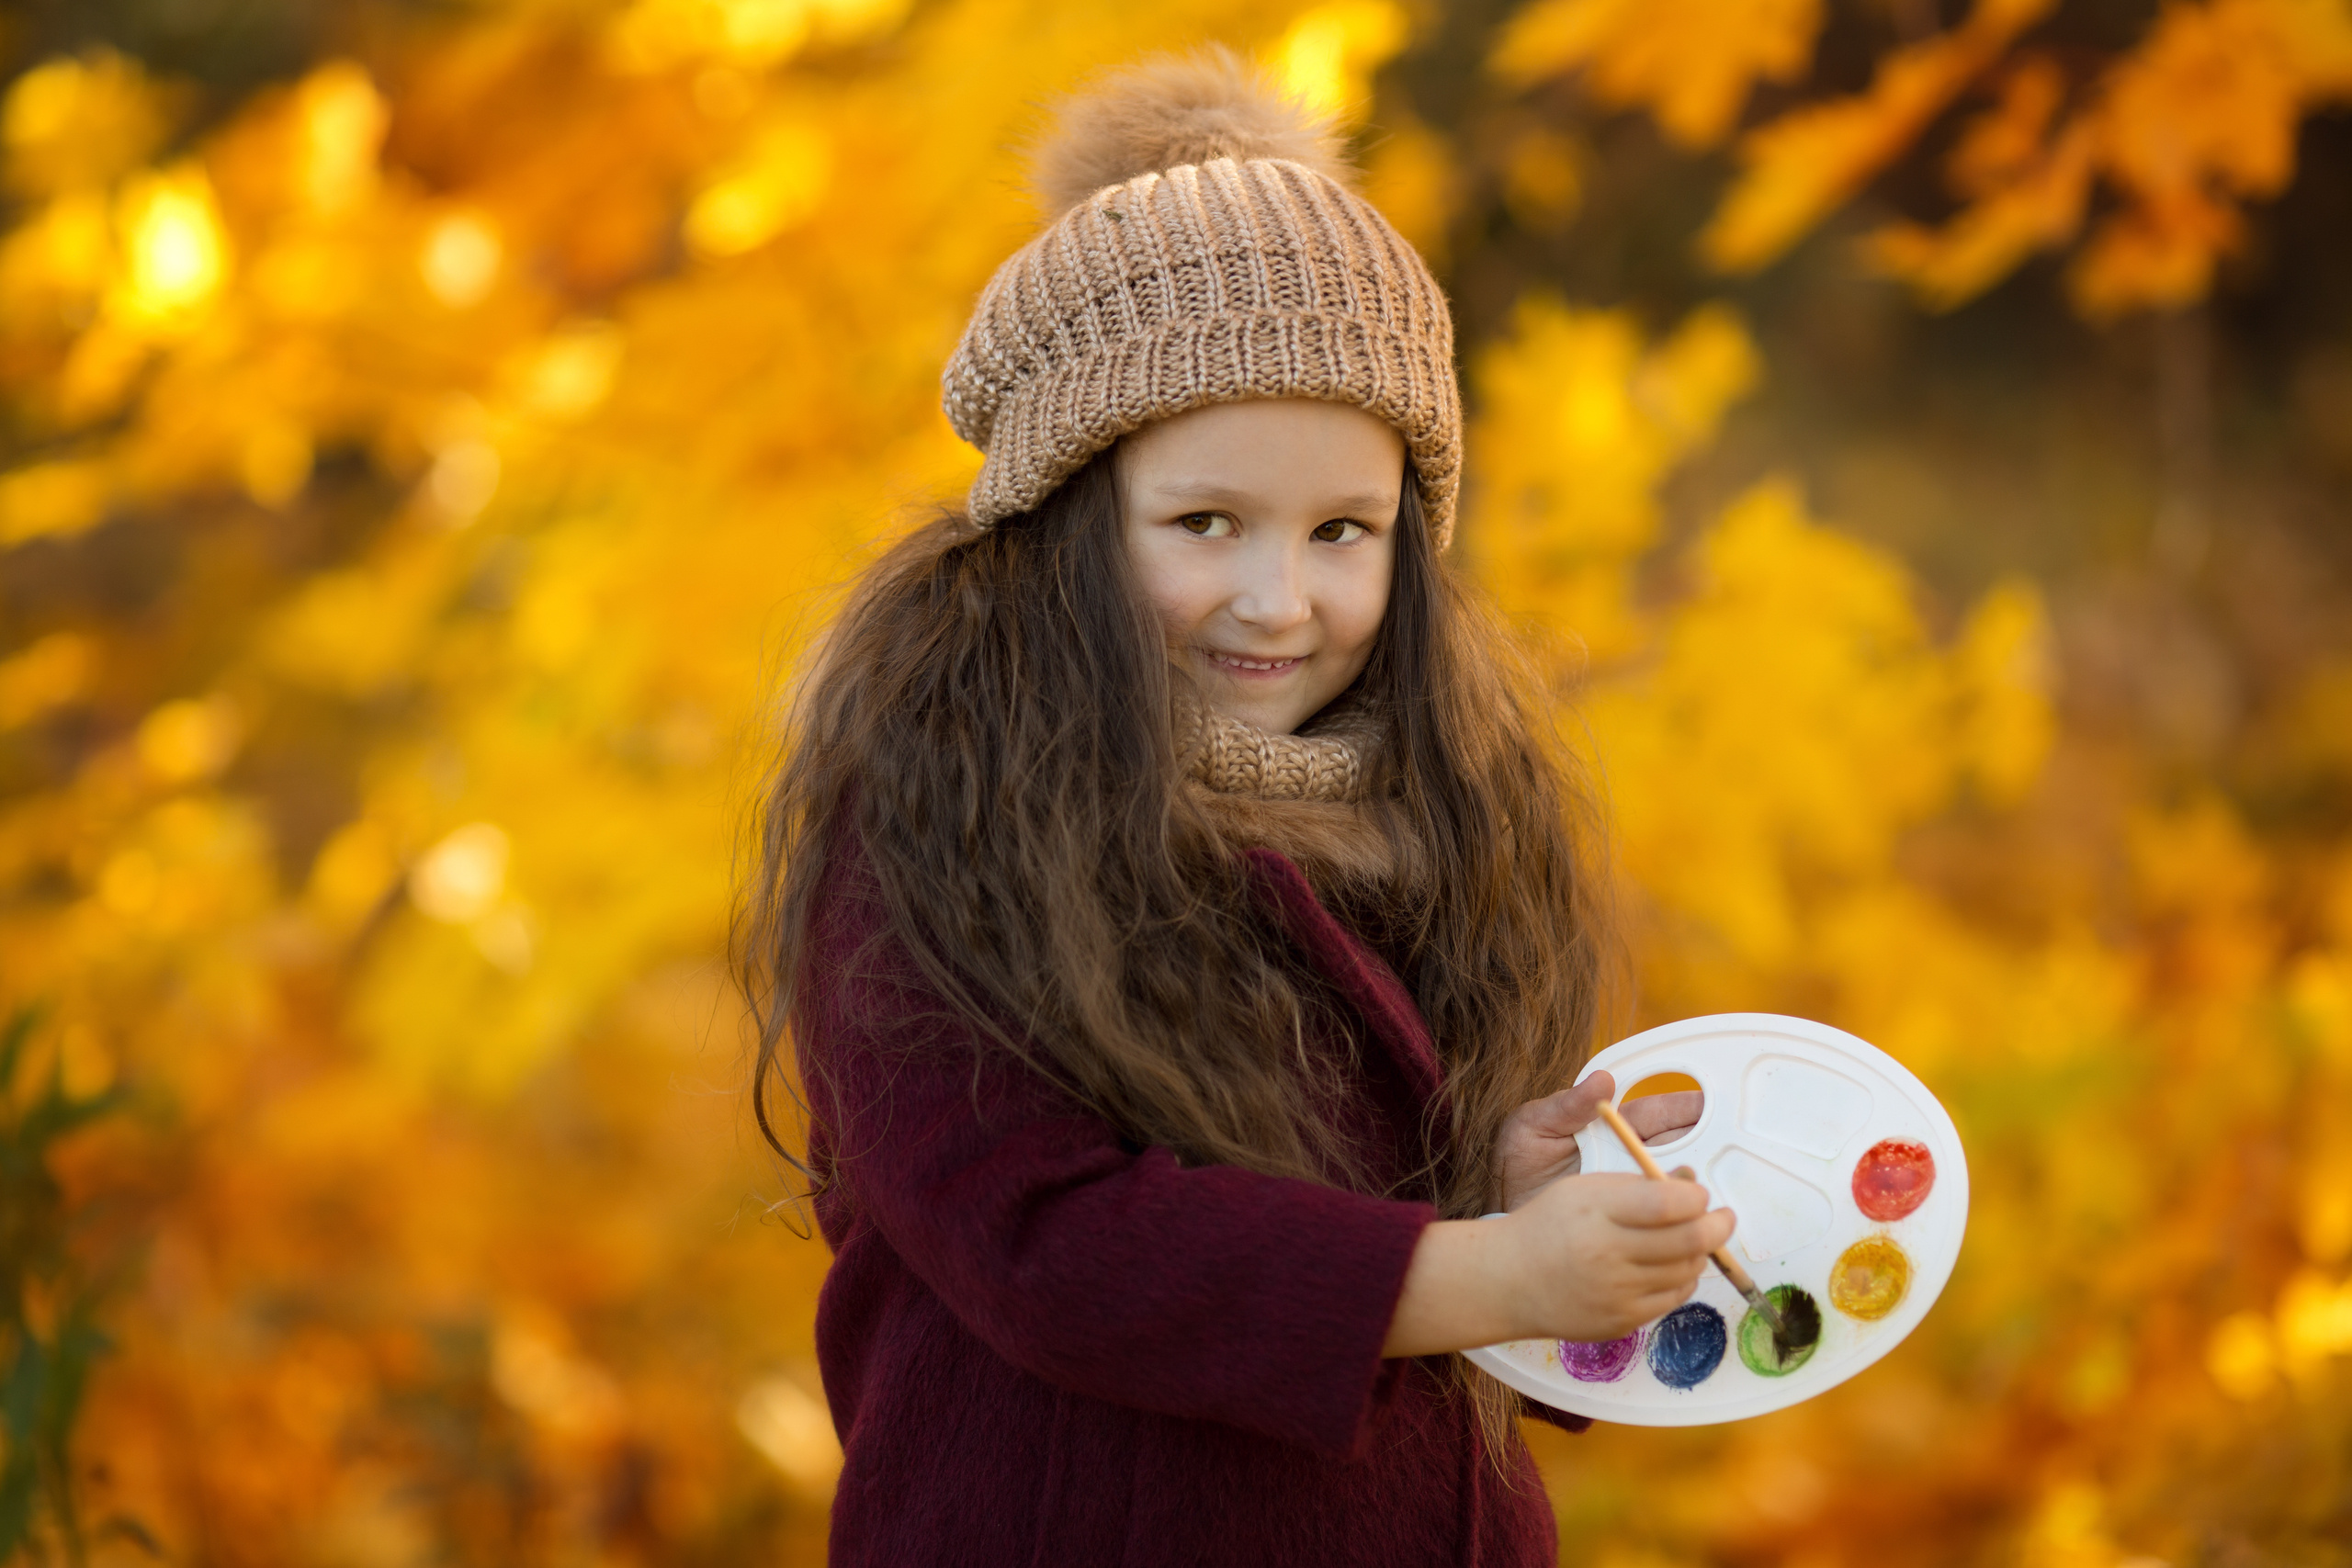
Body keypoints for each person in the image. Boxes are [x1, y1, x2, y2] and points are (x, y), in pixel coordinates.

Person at [739, 47, 1732, 1567]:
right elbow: (1049, 1242)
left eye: (1345, 531)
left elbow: (1387, 1249)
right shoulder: (941, 820)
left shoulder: (1427, 812)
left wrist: (1516, 1204)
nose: (1280, 601)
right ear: (1067, 518)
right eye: (1206, 521)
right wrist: (1488, 1272)